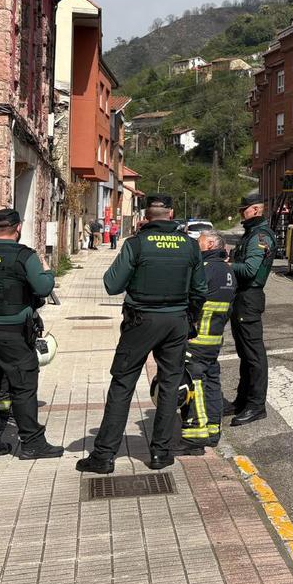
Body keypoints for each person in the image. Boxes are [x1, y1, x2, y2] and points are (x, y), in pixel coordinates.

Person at [76, 194, 207, 474]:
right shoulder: (190, 246)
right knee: (171, 385)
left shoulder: (136, 244)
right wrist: (191, 321)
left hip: (140, 322)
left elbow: (112, 285)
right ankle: (161, 453)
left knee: (123, 385)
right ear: (171, 215)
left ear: (145, 217)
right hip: (176, 322)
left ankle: (104, 456)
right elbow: (200, 291)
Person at [0, 208, 63, 460]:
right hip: (12, 334)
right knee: (23, 386)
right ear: (17, 229)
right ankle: (32, 444)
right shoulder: (23, 256)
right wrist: (47, 271)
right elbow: (43, 287)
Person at [177, 230, 235, 453]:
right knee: (211, 383)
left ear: (210, 244)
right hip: (214, 339)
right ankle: (212, 430)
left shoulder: (204, 270)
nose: (195, 245)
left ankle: (196, 436)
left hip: (197, 338)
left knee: (195, 383)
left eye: (199, 241)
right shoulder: (228, 271)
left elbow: (192, 299)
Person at [227, 191, 276, 426]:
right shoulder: (251, 233)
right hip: (241, 298)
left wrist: (226, 265)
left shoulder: (260, 237)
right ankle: (242, 400)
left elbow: (248, 270)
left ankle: (256, 406)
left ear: (256, 210)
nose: (241, 213)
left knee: (254, 355)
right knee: (245, 353)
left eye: (244, 210)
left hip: (249, 297)